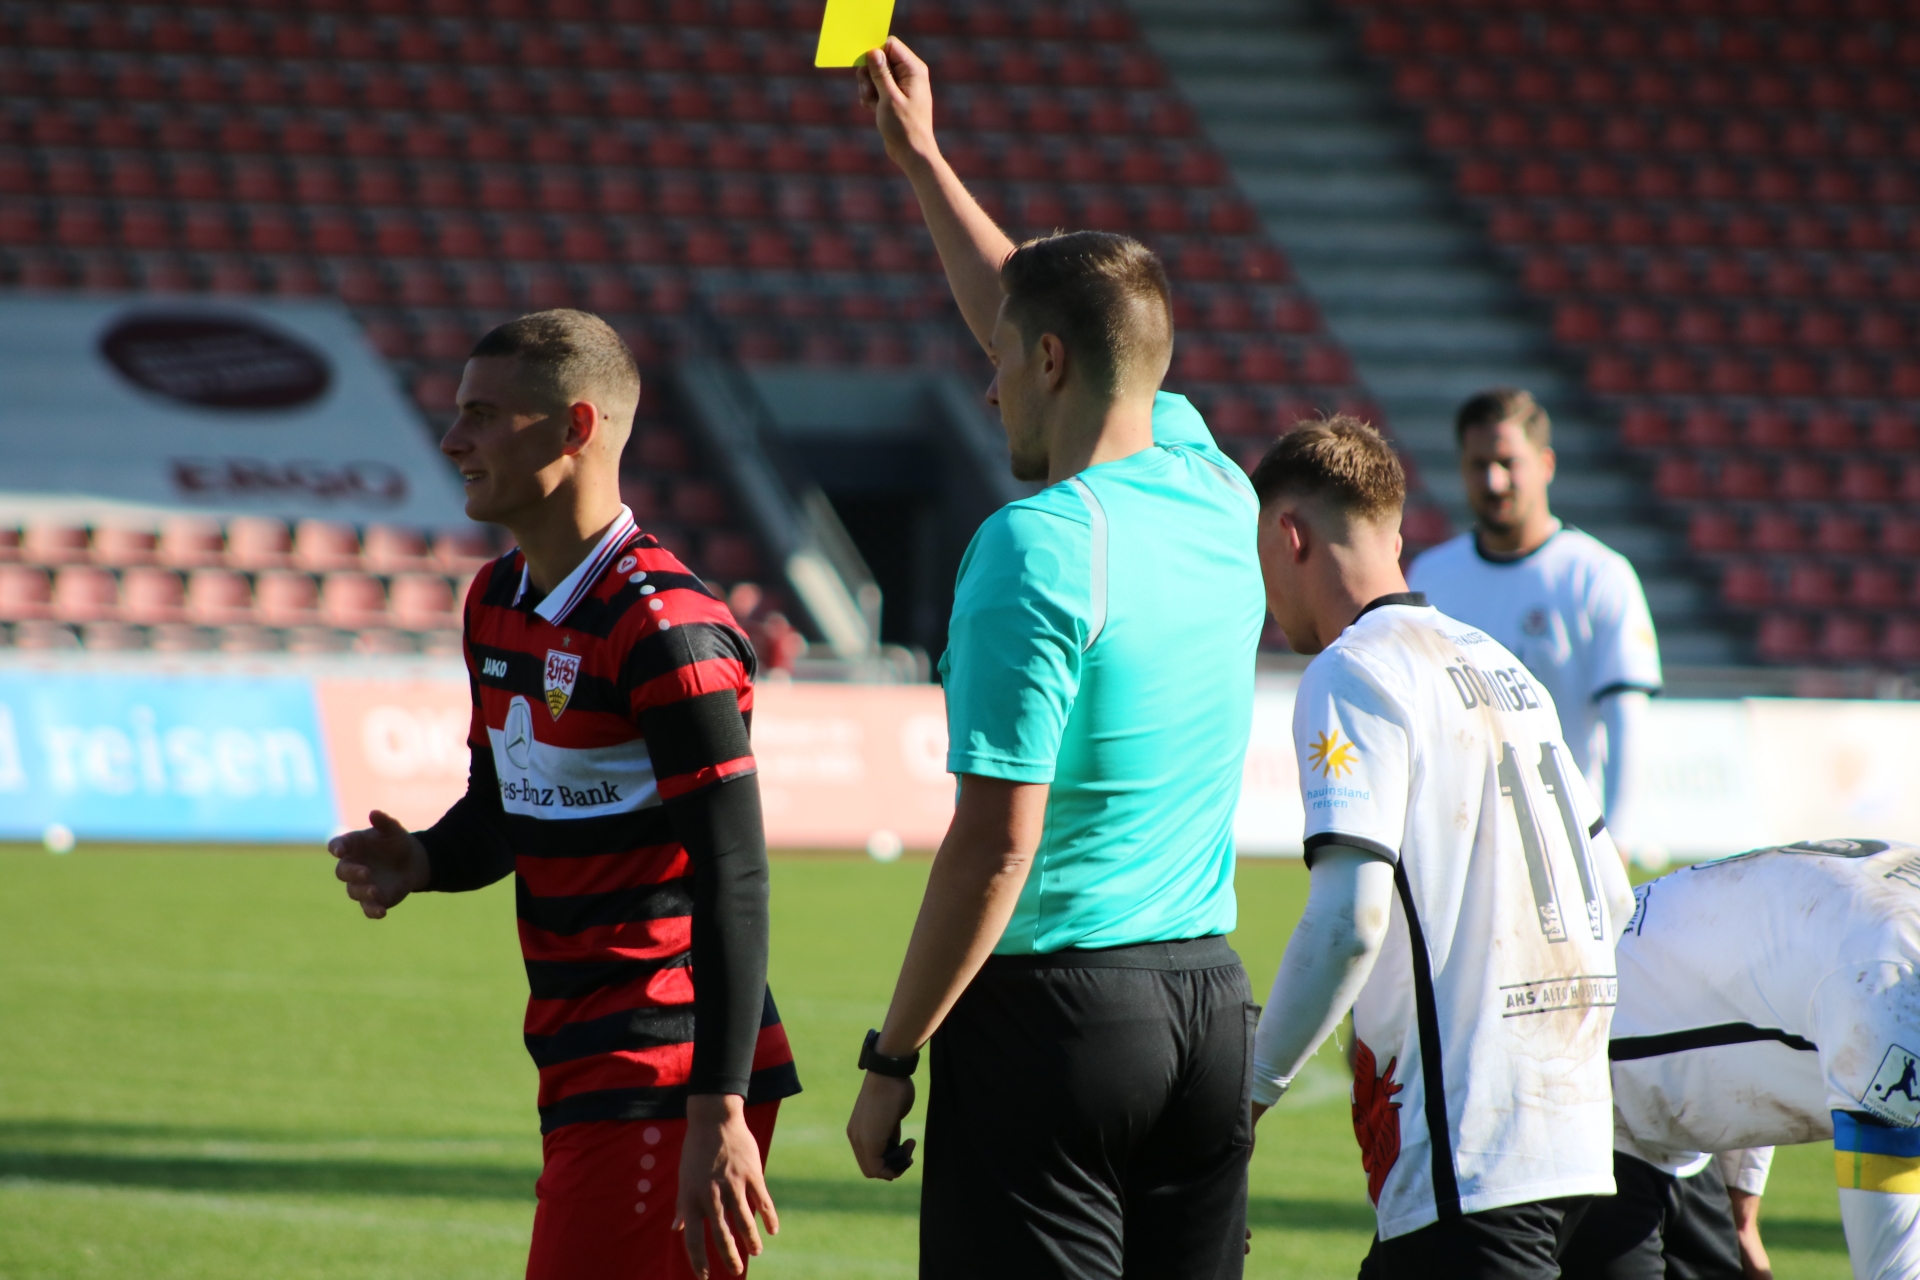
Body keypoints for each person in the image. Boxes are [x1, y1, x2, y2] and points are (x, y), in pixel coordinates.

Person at [842, 37, 1269, 1280]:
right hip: (1208, 1005)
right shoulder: (1213, 480)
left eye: (1000, 363)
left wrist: (892, 1055)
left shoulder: (1037, 544)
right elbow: (1047, 314)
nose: (988, 391)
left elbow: (996, 843)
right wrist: (923, 159)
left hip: (1059, 1020)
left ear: (1045, 365)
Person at [328, 310, 799, 1280]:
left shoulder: (666, 631)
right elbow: (504, 807)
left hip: (669, 1064)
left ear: (576, 427)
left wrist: (718, 1105)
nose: (452, 439)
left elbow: (735, 872)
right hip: (581, 1052)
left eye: (484, 415)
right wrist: (426, 858)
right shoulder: (495, 599)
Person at [1247, 416, 1636, 1278]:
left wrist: (1250, 1093)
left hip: (1472, 1155)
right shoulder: (1506, 667)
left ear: (1290, 535)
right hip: (1576, 1140)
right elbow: (1612, 895)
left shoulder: (1353, 670)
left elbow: (1349, 922)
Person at [1564, 837, 1920, 1280]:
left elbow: (1774, 982)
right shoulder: (1893, 991)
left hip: (1663, 1067)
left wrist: (1741, 1199)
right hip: (1590, 1078)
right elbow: (1894, 1267)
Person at [1407, 389, 1662, 865]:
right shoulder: (1430, 577)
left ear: (1546, 464)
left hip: (1564, 843)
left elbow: (1626, 719)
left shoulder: (1598, 575)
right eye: (1479, 464)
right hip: (1459, 846)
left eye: (1508, 462)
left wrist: (1618, 839)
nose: (1494, 481)